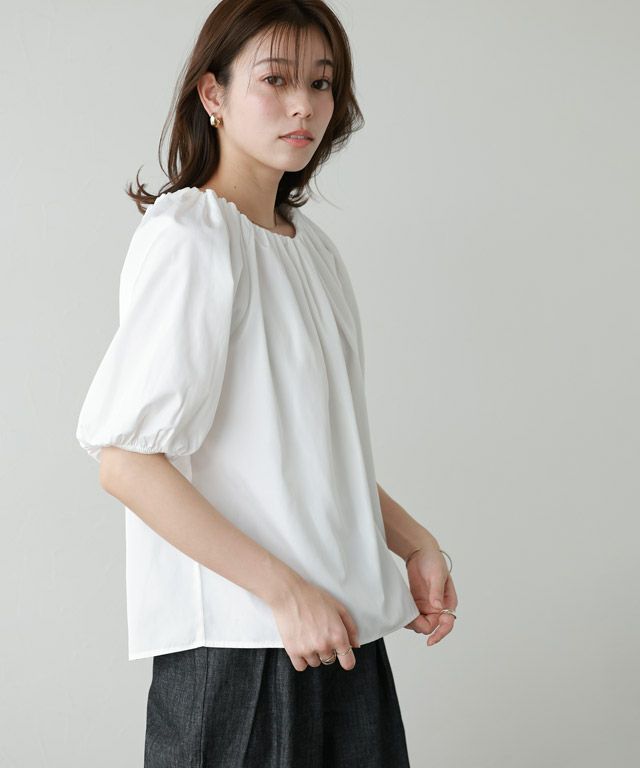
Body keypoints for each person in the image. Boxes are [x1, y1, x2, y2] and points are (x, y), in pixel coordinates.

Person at [75, 1, 458, 765]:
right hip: (243, 647)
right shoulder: (192, 237)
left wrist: (412, 541)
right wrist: (284, 592)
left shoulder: (310, 250)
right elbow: (127, 461)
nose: (304, 105)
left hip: (339, 631)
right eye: (276, 79)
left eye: (321, 83)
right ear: (212, 94)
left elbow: (306, 452)